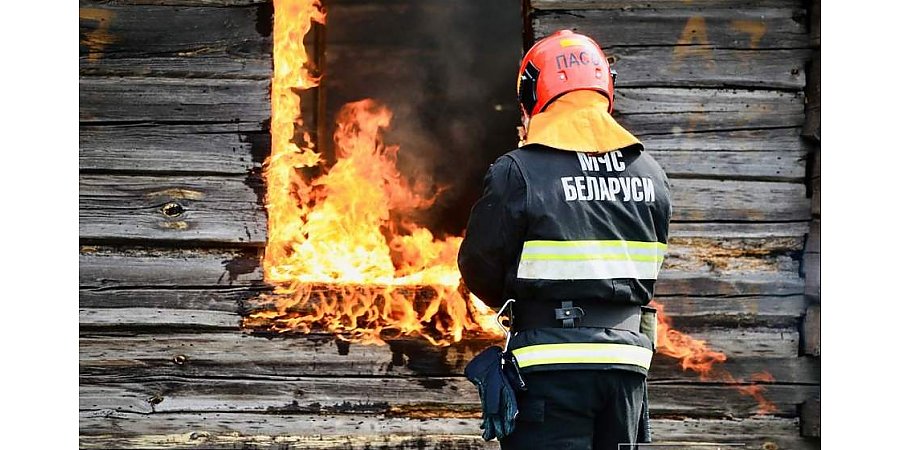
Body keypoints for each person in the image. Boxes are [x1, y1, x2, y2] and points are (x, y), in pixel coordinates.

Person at [458, 29, 673, 449]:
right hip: (627, 367)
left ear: (532, 93)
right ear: (606, 87)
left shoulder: (518, 170)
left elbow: (478, 266)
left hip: (550, 365)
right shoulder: (651, 173)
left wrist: (519, 301)